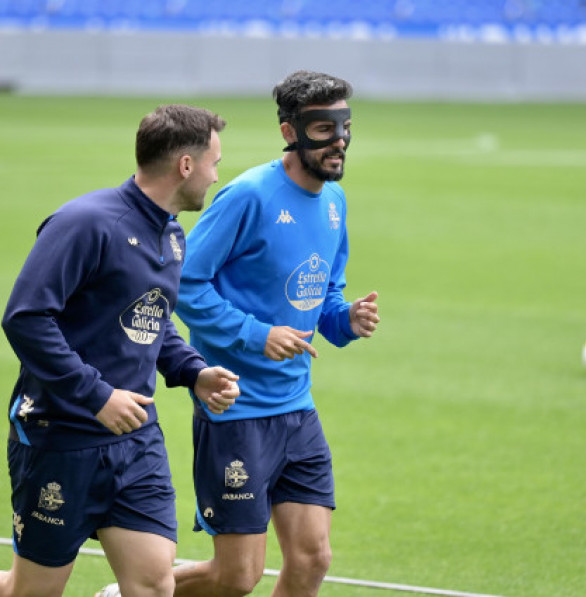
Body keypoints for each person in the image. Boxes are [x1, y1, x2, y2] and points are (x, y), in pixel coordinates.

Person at [0, 104, 241, 597]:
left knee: (154, 584)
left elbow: (149, 319)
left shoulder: (172, 236)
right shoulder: (85, 223)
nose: (217, 176)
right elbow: (24, 317)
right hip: (60, 439)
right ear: (186, 165)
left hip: (135, 440)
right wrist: (97, 396)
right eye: (215, 163)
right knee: (34, 591)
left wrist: (192, 371)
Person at [166, 70, 379, 597]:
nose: (340, 140)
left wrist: (344, 320)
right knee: (236, 577)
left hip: (296, 407)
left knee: (311, 559)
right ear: (290, 132)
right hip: (236, 409)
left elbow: (322, 295)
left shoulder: (335, 202)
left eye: (345, 126)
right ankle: (133, 592)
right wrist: (256, 334)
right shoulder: (247, 196)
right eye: (324, 128)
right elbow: (184, 283)